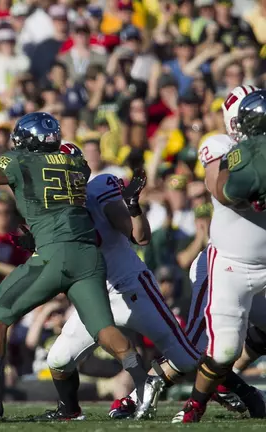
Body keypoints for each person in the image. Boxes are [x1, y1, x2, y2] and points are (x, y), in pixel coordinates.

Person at [0, 111, 156, 421]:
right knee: (103, 329)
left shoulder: (21, 161)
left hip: (53, 255)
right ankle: (144, 383)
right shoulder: (76, 162)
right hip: (87, 254)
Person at [126, 85, 266, 421]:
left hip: (259, 263)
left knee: (254, 337)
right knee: (199, 347)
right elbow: (218, 188)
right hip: (221, 262)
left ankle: (223, 384)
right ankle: (139, 393)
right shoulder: (221, 145)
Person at [46, 159, 201, 420]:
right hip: (94, 295)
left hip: (130, 287)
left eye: (74, 176)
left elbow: (140, 237)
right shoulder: (51, 209)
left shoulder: (99, 190)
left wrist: (133, 208)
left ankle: (239, 391)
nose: (70, 183)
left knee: (186, 359)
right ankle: (69, 410)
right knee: (58, 359)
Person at [173, 89, 266, 423]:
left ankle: (234, 385)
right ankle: (195, 405)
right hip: (231, 264)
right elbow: (219, 189)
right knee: (223, 347)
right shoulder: (222, 145)